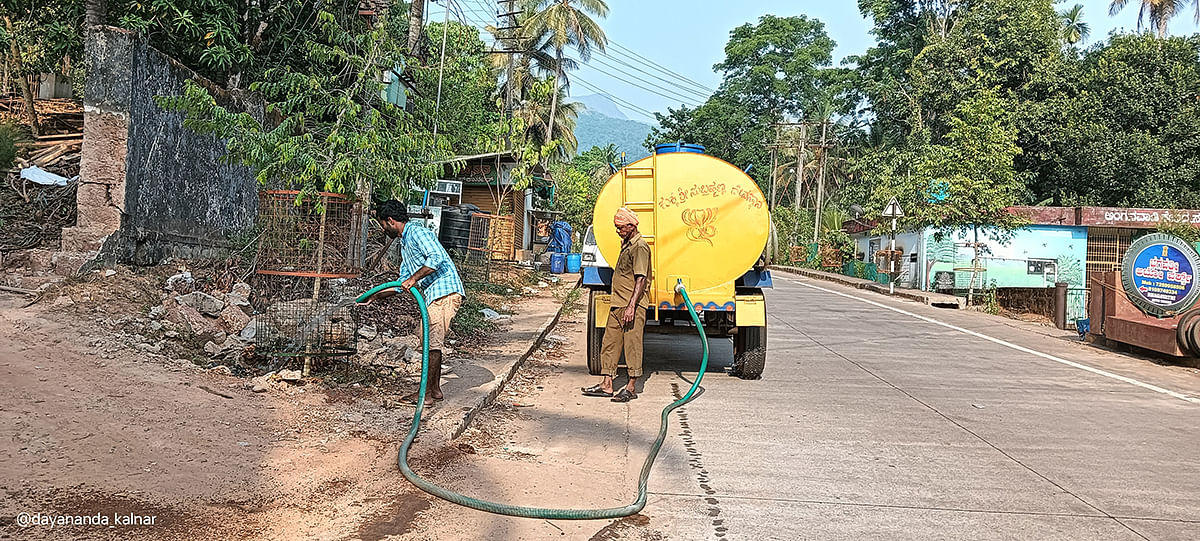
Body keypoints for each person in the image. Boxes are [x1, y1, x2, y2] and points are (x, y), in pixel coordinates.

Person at [362, 200, 465, 404]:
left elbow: (436, 258)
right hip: (436, 295)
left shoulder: (417, 233)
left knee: (431, 342)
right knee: (426, 338)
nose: (383, 229)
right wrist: (375, 296)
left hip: (445, 292)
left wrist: (414, 279)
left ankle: (425, 394)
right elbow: (402, 283)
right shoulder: (406, 243)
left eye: (383, 224)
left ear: (390, 221)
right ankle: (434, 390)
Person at [582, 207, 651, 403]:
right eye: (616, 227)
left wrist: (631, 307)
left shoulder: (640, 247)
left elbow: (641, 279)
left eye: (620, 227)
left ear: (631, 226)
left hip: (632, 306)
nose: (617, 230)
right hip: (617, 303)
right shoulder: (628, 244)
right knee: (609, 343)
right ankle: (606, 384)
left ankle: (630, 387)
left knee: (632, 346)